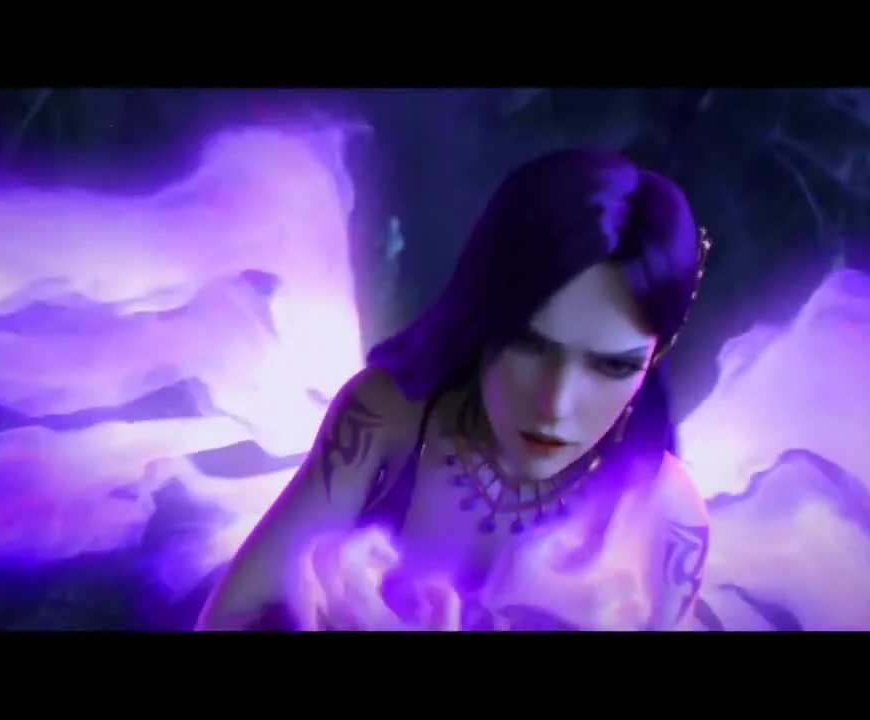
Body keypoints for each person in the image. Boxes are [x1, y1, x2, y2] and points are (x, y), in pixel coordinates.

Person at [196, 148, 711, 631]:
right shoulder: (384, 421)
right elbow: (230, 619)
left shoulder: (667, 516)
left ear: (656, 356)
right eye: (528, 345)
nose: (555, 405)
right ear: (483, 313)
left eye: (613, 366)